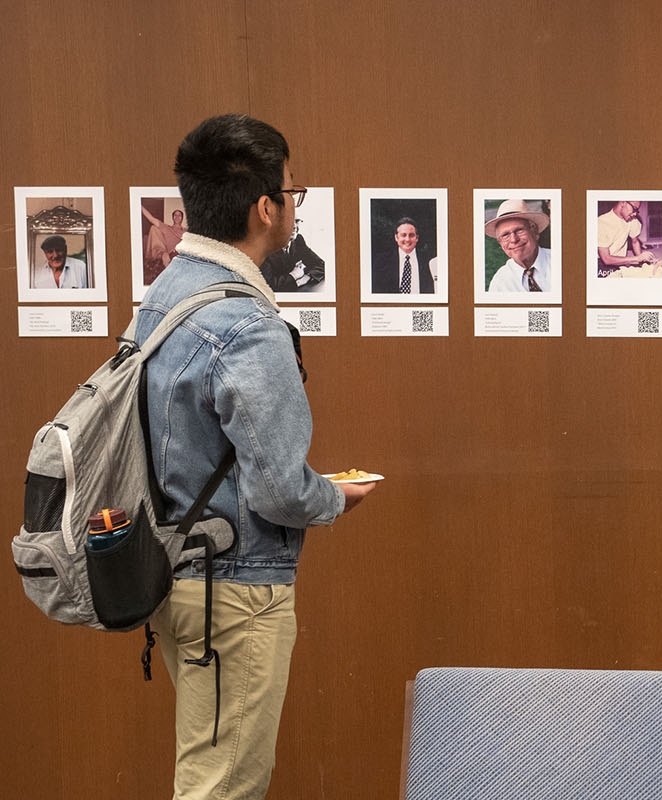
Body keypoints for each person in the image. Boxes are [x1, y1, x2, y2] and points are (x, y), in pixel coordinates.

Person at [135, 114, 376, 799]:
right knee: (225, 787)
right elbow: (277, 489)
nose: (295, 204)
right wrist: (333, 496)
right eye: (294, 192)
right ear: (265, 207)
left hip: (174, 571)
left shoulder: (164, 298)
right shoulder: (248, 323)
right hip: (236, 589)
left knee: (210, 775)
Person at [485, 198, 552, 292]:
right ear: (500, 244)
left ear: (535, 232)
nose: (514, 239)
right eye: (505, 235)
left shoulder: (560, 262)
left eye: (519, 230)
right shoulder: (500, 284)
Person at [259, 217, 326, 293]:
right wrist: (294, 275)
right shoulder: (264, 248)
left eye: (297, 221)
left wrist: (307, 277)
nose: (294, 226)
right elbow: (268, 285)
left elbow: (321, 264)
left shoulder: (298, 240)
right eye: (289, 221)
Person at [372, 216, 435, 294]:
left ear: (417, 238)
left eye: (411, 235)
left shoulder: (429, 262)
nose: (407, 239)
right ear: (396, 237)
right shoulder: (382, 262)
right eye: (403, 235)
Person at [596, 200, 658, 277]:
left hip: (621, 263)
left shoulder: (632, 221)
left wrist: (643, 262)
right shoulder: (601, 222)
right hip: (601, 264)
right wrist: (637, 259)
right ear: (623, 202)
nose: (635, 213)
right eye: (634, 209)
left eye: (637, 211)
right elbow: (606, 259)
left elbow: (635, 242)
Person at [142, 206, 188, 283]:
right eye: (175, 215)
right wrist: (140, 206)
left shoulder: (186, 231)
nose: (177, 217)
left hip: (181, 253)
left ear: (182, 218)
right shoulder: (166, 228)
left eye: (179, 215)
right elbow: (151, 218)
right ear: (173, 217)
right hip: (169, 254)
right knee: (165, 256)